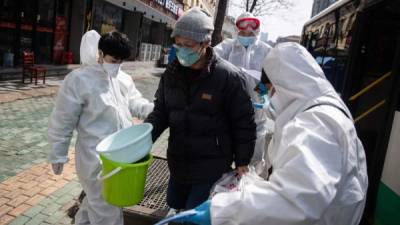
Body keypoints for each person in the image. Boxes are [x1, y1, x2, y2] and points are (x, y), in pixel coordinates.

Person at [175, 43, 368, 225]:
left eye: (271, 90)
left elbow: (296, 199)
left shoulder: (315, 124)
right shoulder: (325, 108)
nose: (270, 96)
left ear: (285, 85)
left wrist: (222, 210)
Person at [144, 7, 256, 213]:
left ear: (205, 43)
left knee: (194, 214)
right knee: (176, 205)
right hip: (178, 160)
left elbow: (244, 122)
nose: (182, 50)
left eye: (188, 45)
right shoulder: (172, 73)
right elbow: (161, 111)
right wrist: (141, 142)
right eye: (178, 45)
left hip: (211, 165)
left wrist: (242, 161)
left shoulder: (228, 77)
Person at [47, 30, 154, 225]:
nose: (117, 66)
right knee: (108, 211)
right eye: (114, 60)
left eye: (121, 61)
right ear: (100, 54)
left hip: (121, 157)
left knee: (96, 203)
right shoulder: (79, 80)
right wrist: (57, 153)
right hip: (95, 159)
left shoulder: (122, 78)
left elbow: (135, 101)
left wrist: (152, 110)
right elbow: (63, 119)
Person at [214, 12, 273, 170]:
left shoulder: (266, 50)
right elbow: (211, 58)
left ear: (257, 30)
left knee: (253, 158)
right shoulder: (228, 47)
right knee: (225, 152)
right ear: (236, 30)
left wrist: (259, 94)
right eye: (242, 31)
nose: (247, 33)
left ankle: (249, 185)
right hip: (230, 108)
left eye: (251, 31)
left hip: (256, 113)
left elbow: (270, 78)